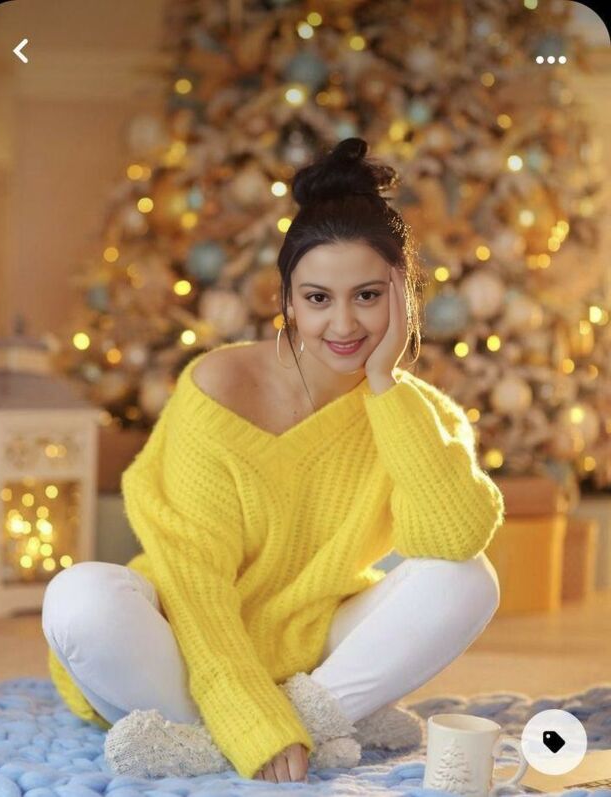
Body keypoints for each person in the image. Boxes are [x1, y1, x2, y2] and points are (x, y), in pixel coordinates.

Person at [42, 137, 504, 784]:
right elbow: (195, 586)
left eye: (368, 296)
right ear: (287, 299)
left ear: (403, 296)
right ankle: (259, 729)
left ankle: (267, 729)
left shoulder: (415, 413)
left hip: (310, 653)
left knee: (469, 578)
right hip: (183, 648)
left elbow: (451, 539)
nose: (344, 323)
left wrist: (385, 385)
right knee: (79, 597)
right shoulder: (217, 388)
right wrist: (249, 720)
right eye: (318, 298)